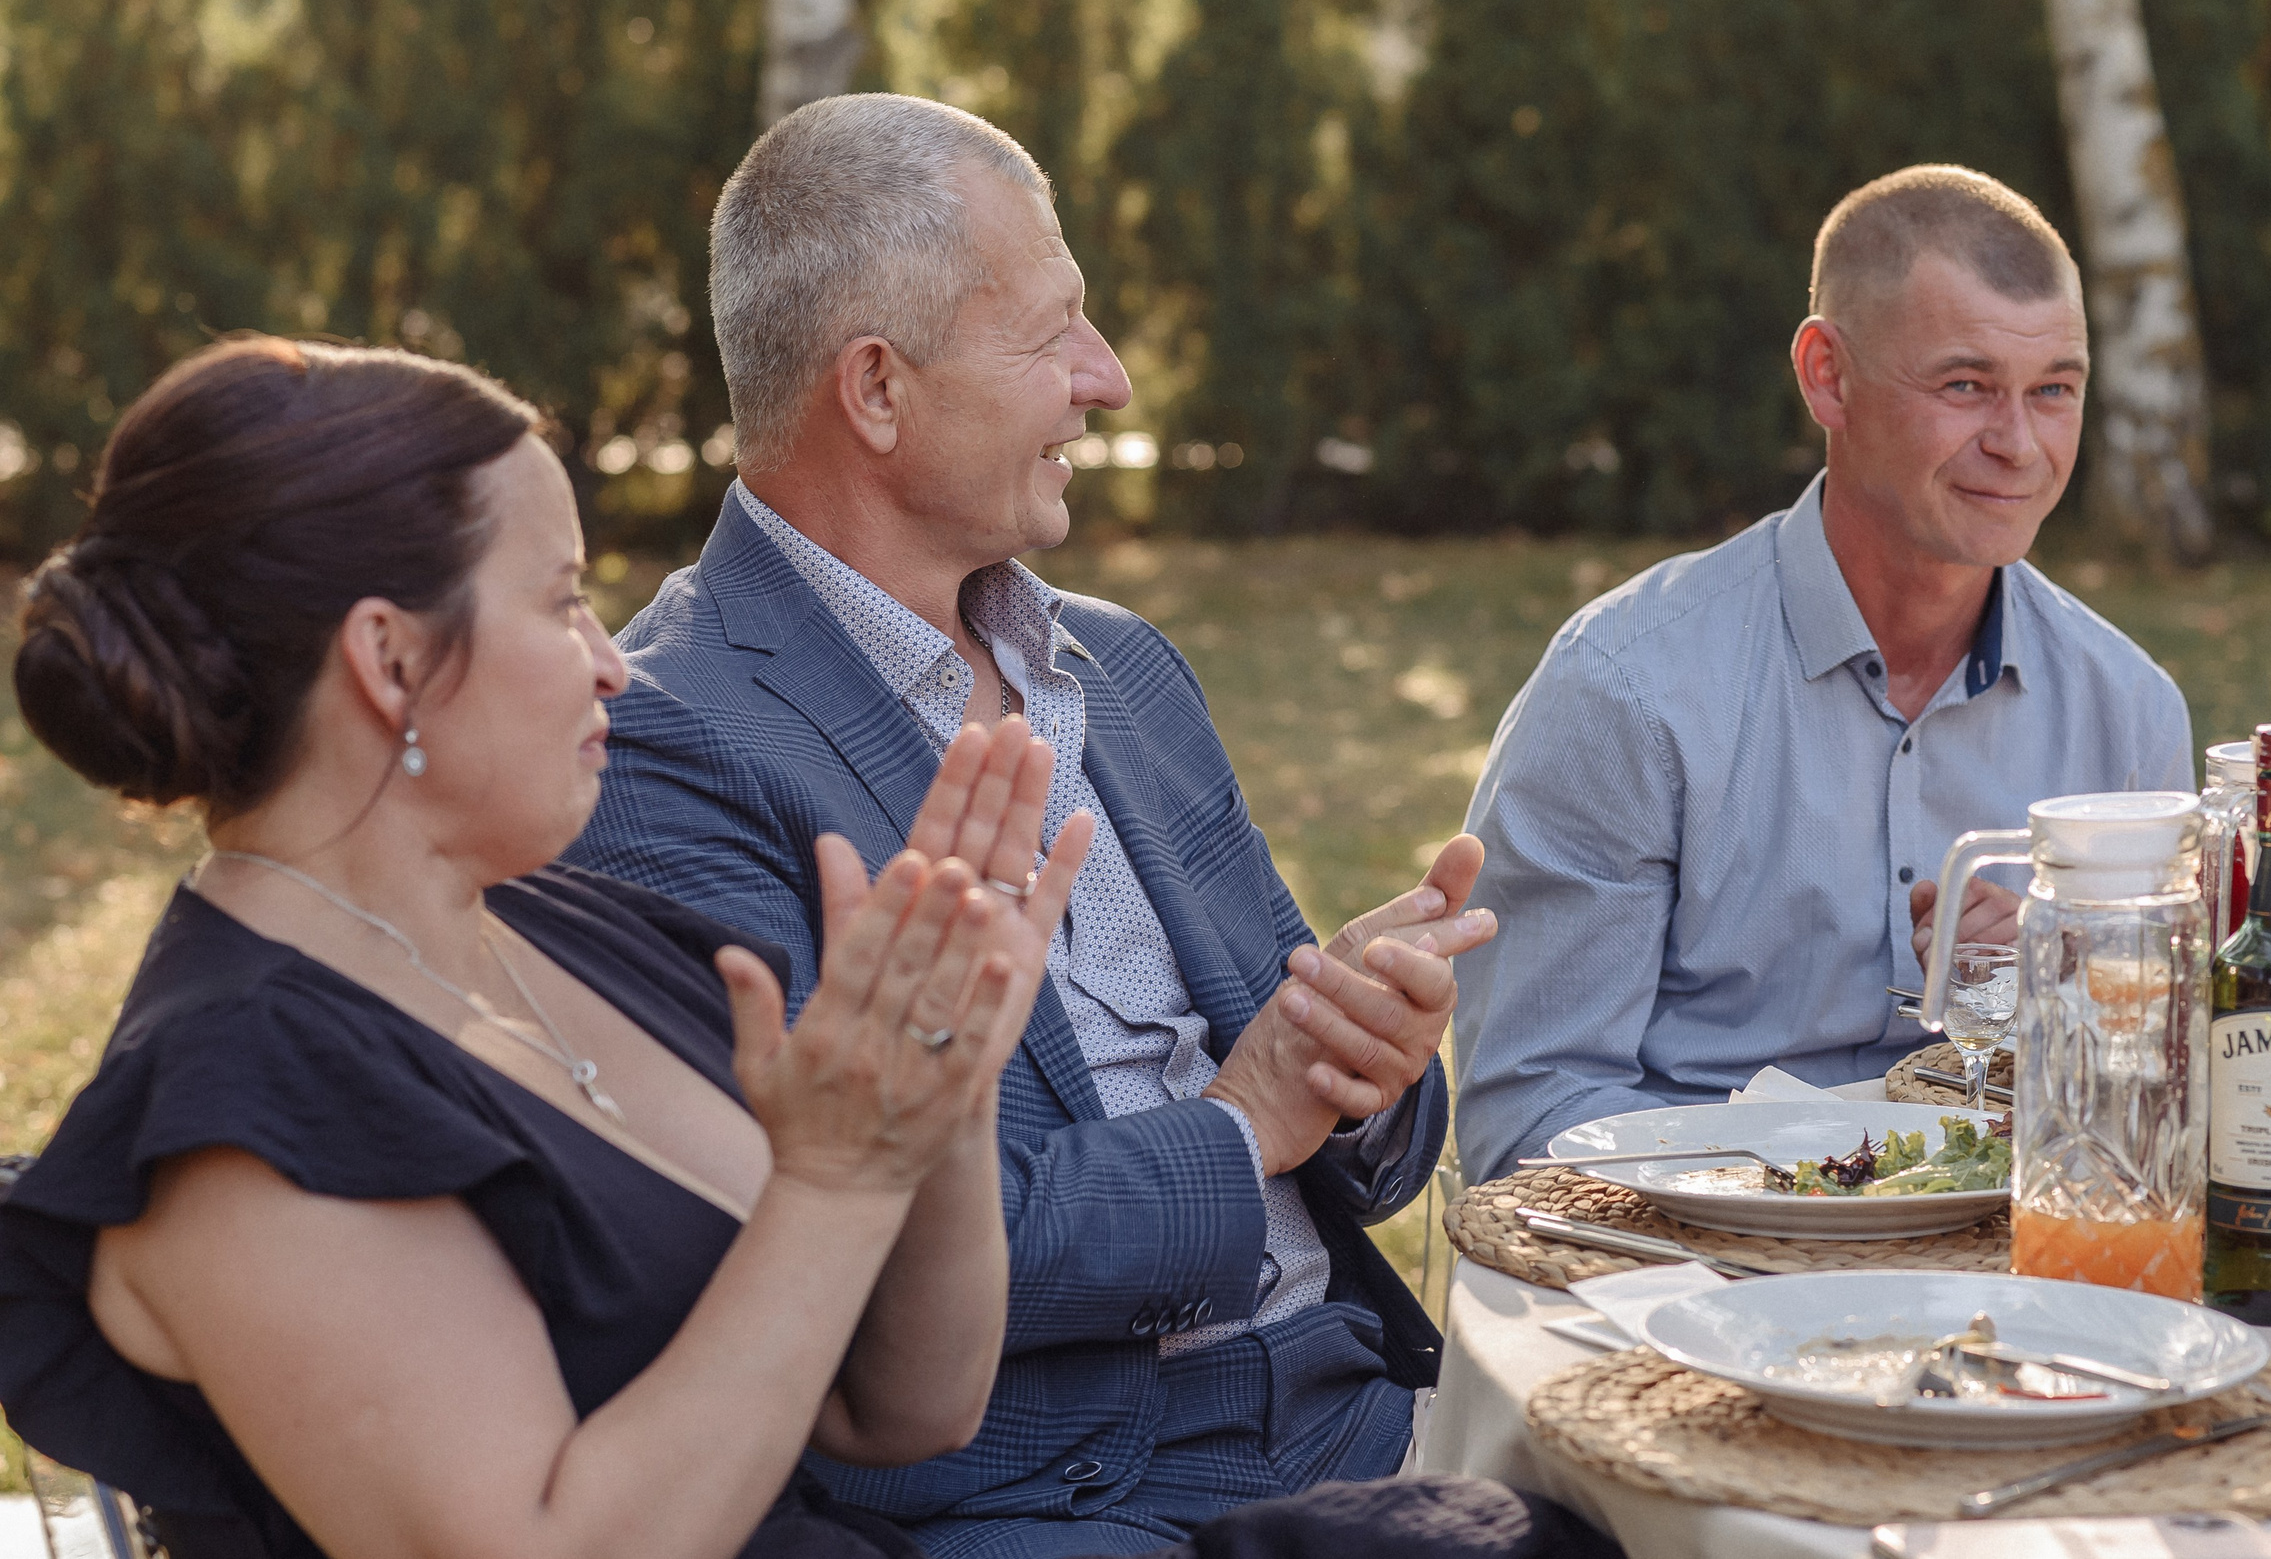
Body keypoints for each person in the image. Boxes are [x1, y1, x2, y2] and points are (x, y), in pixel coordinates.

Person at [0, 337, 1610, 1559]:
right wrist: (838, 1179)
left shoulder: (565, 934)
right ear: (390, 660)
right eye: (559, 601)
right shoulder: (239, 1104)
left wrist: (941, 1088)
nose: (612, 666)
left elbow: (899, 1398)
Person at [565, 94, 1492, 1558]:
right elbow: (856, 1240)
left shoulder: (1118, 666)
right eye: (1053, 331)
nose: (1107, 380)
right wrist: (1245, 1123)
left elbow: (1305, 1088)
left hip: (1355, 1415)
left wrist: (1360, 1056)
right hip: (1062, 1499)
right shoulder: (664, 749)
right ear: (877, 390)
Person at [1451, 164, 2194, 1182]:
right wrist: (1831, 1176)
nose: (2019, 444)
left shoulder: (2131, 713)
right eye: (1965, 385)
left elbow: (2159, 1110)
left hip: (2006, 1253)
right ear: (1827, 376)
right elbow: (1529, 1120)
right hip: (1677, 1256)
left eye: (2053, 390)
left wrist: (2053, 1003)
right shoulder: (1624, 690)